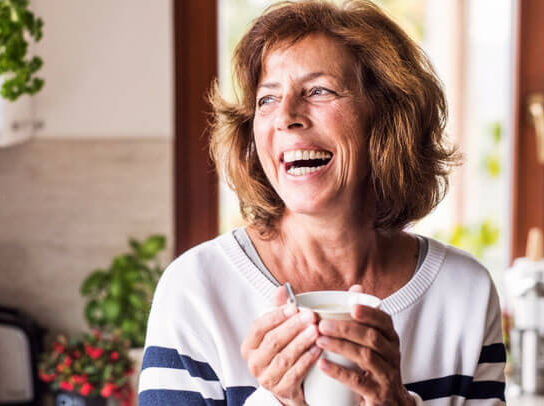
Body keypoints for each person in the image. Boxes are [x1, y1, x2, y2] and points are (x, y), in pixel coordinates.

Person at [138, 1, 506, 405]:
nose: (286, 117)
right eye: (267, 99)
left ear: (386, 118)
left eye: (318, 91)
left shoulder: (464, 293)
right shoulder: (196, 291)